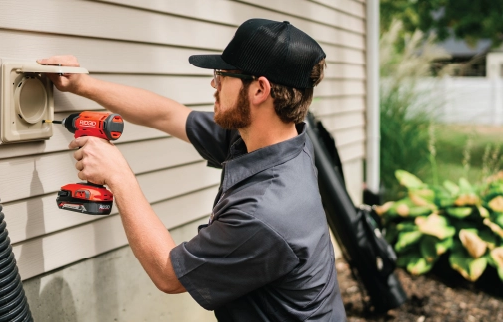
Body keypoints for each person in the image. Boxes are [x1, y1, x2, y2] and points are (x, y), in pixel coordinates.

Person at [39, 18, 346, 321]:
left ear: (259, 90)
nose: (214, 83)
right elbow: (168, 116)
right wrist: (83, 84)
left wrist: (118, 175)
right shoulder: (279, 140)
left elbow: (169, 275)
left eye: (223, 74)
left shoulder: (265, 212)